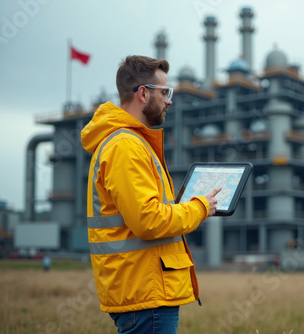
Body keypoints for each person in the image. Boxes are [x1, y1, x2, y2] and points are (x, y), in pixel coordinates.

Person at [81, 55, 221, 334]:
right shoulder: (125, 147)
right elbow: (148, 220)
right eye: (165, 92)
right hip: (146, 294)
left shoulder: (133, 143)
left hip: (147, 290)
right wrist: (199, 207)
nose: (170, 101)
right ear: (143, 94)